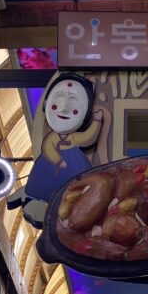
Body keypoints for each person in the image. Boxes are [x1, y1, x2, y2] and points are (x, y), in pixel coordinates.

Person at [20, 74, 103, 224]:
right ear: (46, 104)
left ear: (86, 114)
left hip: (73, 168)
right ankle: (39, 201)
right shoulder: (53, 138)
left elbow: (88, 137)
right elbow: (48, 148)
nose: (64, 109)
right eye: (58, 101)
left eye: (74, 105)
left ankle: (74, 205)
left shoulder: (74, 138)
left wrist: (97, 121)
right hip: (52, 167)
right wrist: (57, 160)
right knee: (47, 186)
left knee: (77, 189)